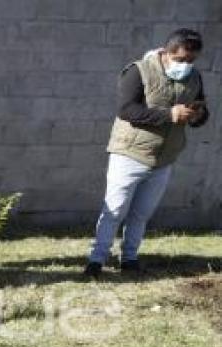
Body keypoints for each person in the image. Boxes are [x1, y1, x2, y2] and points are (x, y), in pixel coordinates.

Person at [85, 29, 209, 277]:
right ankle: (96, 260)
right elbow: (126, 110)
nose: (185, 66)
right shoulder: (138, 71)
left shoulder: (194, 78)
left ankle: (129, 258)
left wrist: (196, 116)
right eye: (181, 59)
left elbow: (203, 109)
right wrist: (169, 114)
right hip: (129, 153)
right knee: (115, 210)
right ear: (167, 52)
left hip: (163, 159)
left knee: (142, 213)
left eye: (191, 61)